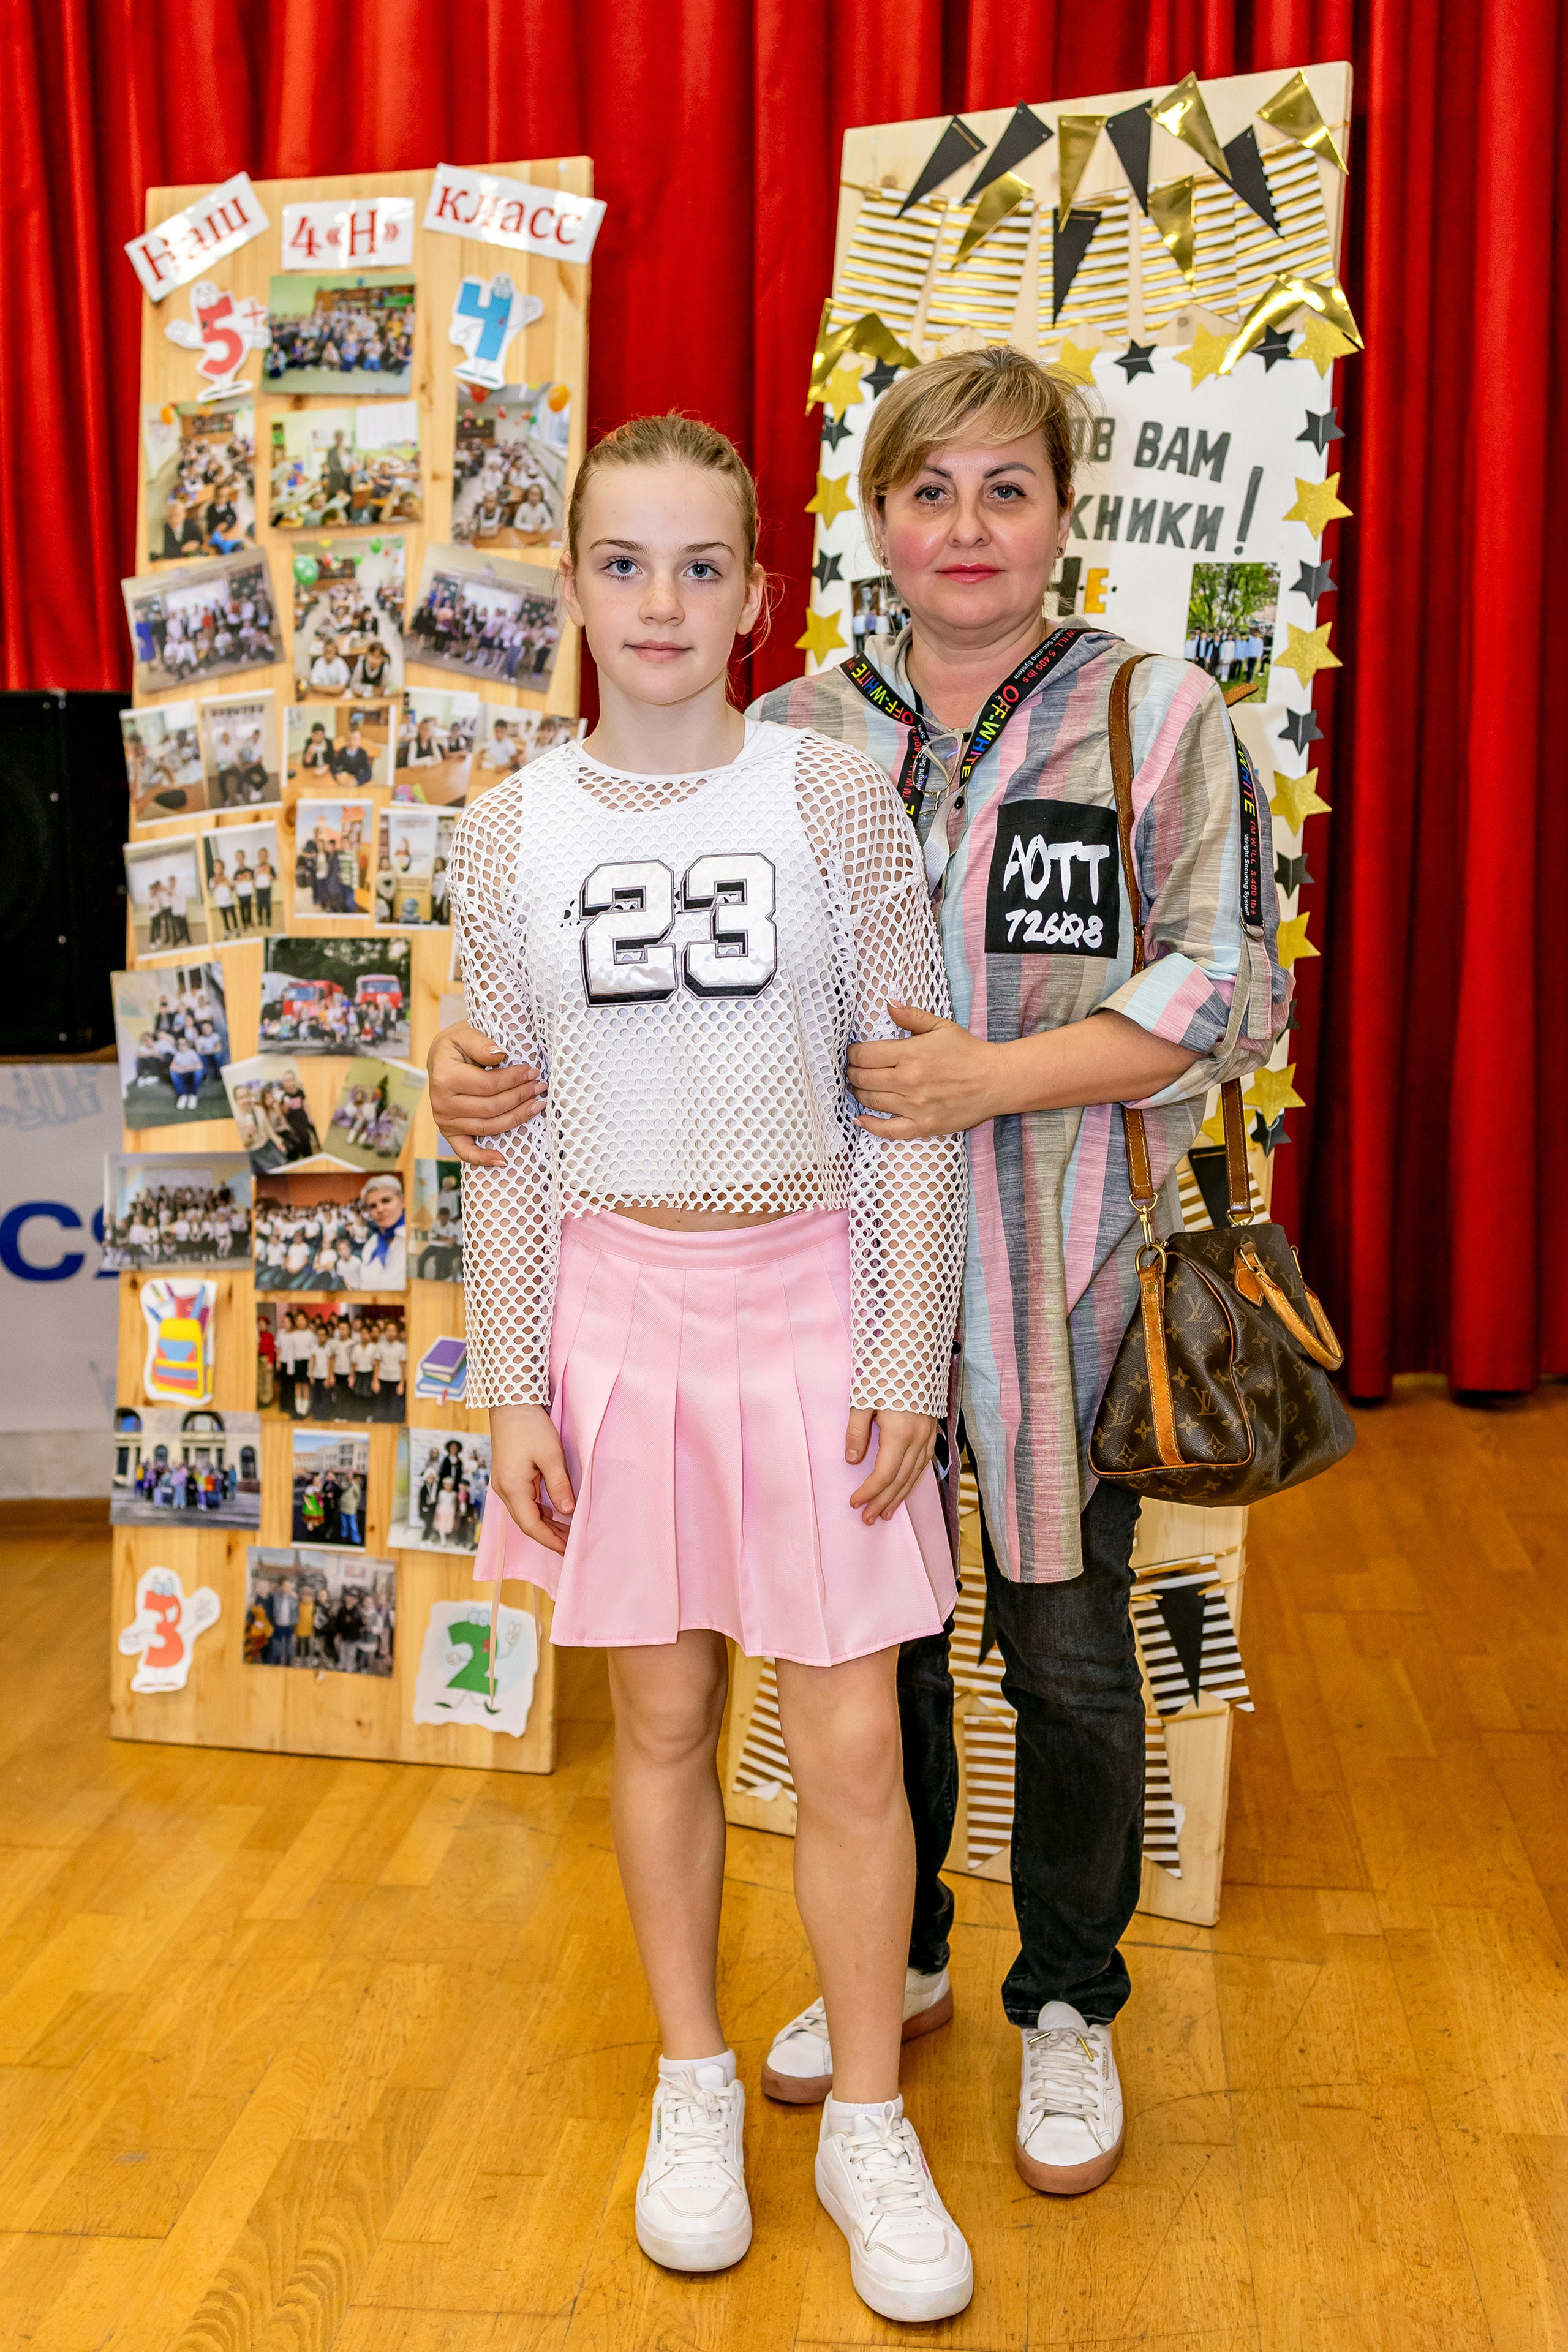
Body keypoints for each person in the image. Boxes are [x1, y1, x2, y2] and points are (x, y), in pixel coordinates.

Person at [426, 350, 1288, 2206]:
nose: (964, 528)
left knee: (1060, 1651)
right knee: (864, 1677)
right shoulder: (806, 729)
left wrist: (996, 1075)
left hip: (1047, 1264)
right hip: (802, 1274)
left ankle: (1066, 1997)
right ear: (865, 529)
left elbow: (1226, 989)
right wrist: (460, 1069)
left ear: (1066, 513)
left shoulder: (1151, 714)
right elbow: (567, 1054)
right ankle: (883, 1972)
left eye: (1006, 490)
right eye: (927, 492)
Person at [446, 413, 972, 2320]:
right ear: (573, 585)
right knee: (660, 1728)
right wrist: (515, 1383)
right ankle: (692, 2081)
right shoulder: (509, 831)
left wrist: (904, 1351)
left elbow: (909, 1100)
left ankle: (867, 2115)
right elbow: (499, 1124)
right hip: (614, 1319)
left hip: (813, 1307)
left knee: (845, 1741)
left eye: (698, 567)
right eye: (621, 563)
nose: (659, 602)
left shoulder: (830, 797)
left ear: (759, 594)